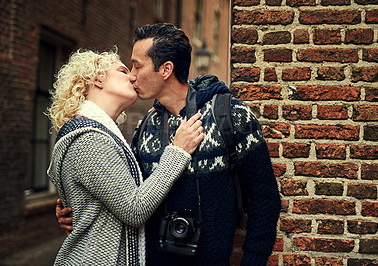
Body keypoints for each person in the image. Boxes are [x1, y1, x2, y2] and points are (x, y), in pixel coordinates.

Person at [57, 23, 281, 265]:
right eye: (128, 68)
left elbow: (264, 199)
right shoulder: (145, 127)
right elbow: (129, 199)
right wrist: (76, 209)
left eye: (137, 66)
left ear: (165, 70)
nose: (132, 75)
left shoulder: (230, 115)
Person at [47, 47, 204, 265]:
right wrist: (178, 151)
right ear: (98, 79)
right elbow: (135, 209)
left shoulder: (100, 134)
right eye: (123, 70)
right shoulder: (88, 140)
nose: (132, 76)